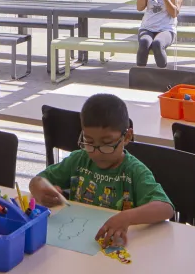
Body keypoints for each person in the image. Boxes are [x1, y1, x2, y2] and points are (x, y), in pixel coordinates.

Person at [29, 93, 173, 246]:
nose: (96, 152)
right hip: (79, 242)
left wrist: (127, 217)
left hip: (114, 247)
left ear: (127, 137)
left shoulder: (133, 171)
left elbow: (166, 208)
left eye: (107, 144)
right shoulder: (79, 160)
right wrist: (39, 190)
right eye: (89, 142)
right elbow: (37, 180)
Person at [135, 0, 183, 68]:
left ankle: (163, 76)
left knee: (157, 44)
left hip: (166, 29)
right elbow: (139, 7)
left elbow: (174, 13)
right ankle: (141, 77)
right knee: (144, 42)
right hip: (147, 27)